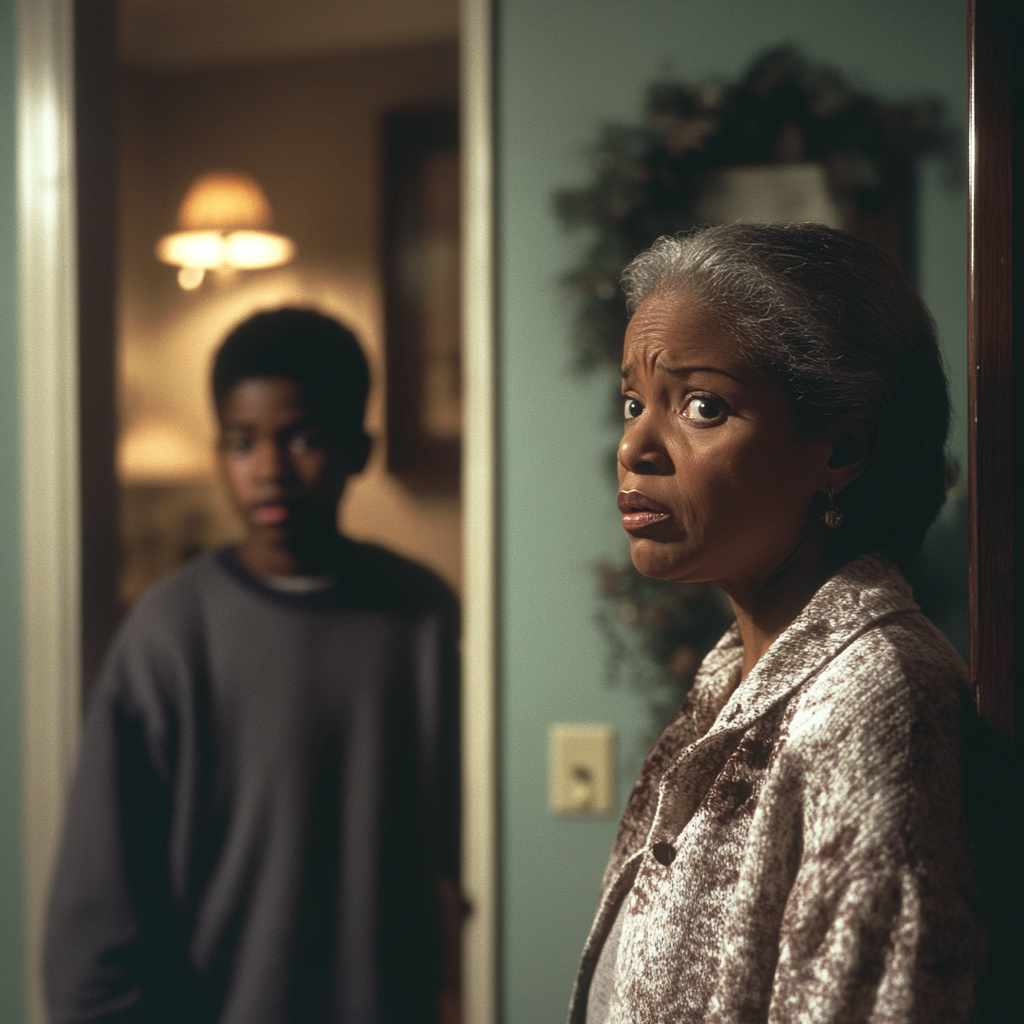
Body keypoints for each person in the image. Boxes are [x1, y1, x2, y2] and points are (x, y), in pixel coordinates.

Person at [571, 224, 985, 1024]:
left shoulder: (872, 699)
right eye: (632, 402)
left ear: (843, 448)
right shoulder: (735, 674)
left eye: (701, 405)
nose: (633, 447)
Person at [45, 308, 461, 1024]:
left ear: (358, 450)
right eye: (242, 444)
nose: (269, 470)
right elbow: (98, 909)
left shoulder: (419, 615)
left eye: (301, 439)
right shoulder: (167, 634)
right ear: (218, 453)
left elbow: (465, 851)